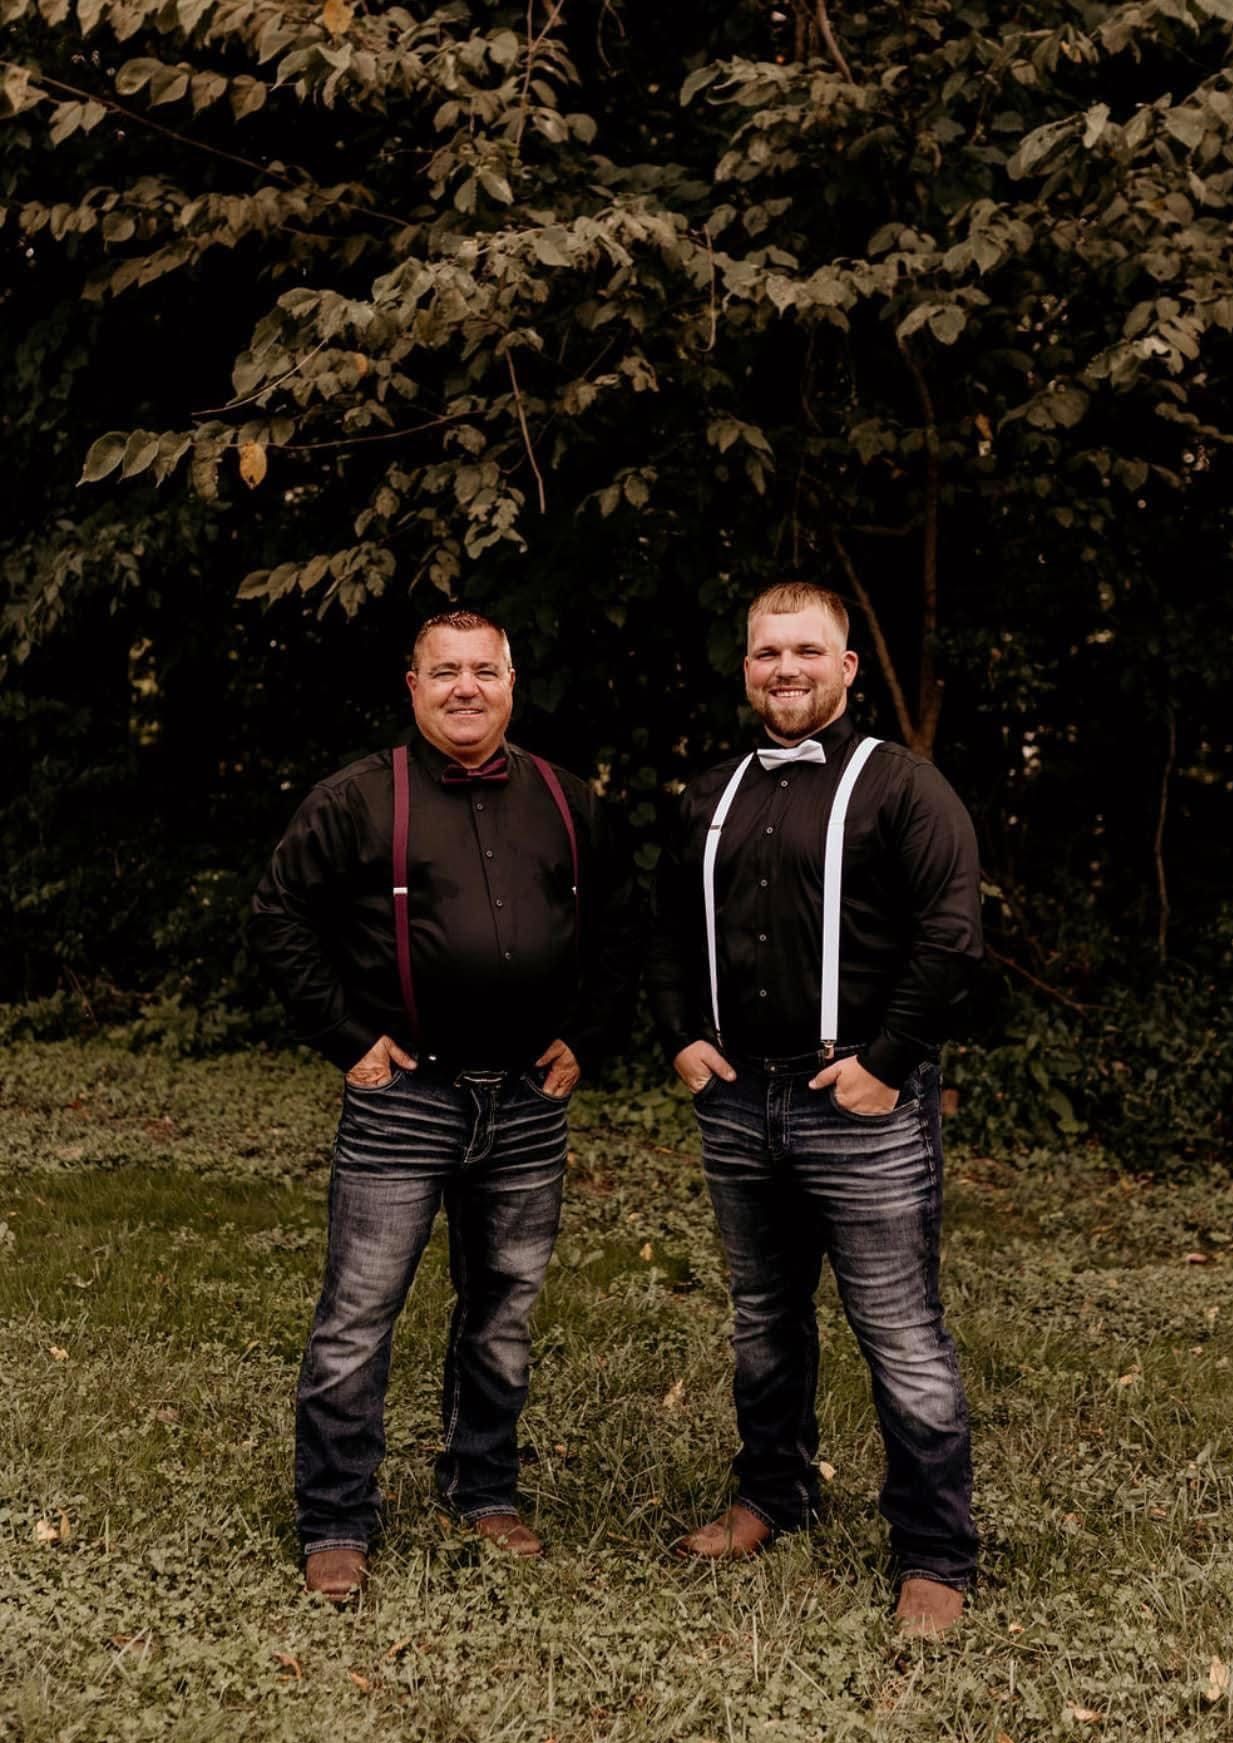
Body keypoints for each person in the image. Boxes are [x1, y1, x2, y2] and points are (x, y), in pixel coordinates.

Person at [250, 608, 632, 1600]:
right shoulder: (359, 797)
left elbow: (626, 928)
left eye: (485, 671)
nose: (467, 688)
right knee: (357, 1317)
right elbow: (279, 914)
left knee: (503, 1312)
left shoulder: (565, 796)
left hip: (526, 1102)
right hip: (405, 1099)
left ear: (513, 681)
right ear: (412, 687)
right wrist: (347, 1039)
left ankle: (484, 1488)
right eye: (445, 672)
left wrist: (586, 1034)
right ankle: (337, 1517)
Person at [648, 581, 982, 1635]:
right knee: (763, 1321)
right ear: (744, 669)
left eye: (804, 651)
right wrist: (682, 1038)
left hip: (862, 1103)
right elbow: (660, 929)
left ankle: (935, 1553)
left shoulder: (905, 789)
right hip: (742, 1100)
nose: (783, 669)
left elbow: (951, 937)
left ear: (845, 668)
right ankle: (770, 1495)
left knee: (899, 1331)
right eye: (764, 653)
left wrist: (889, 1062)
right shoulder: (710, 792)